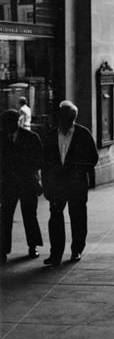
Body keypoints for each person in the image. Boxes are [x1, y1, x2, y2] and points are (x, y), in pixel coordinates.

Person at [41, 100, 99, 267]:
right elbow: (45, 162)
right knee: (55, 219)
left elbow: (92, 158)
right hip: (57, 185)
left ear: (73, 117)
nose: (62, 120)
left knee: (78, 218)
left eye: (65, 117)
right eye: (60, 116)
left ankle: (76, 250)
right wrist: (47, 185)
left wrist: (78, 170)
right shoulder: (51, 135)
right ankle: (56, 254)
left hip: (76, 185)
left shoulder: (83, 134)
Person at [0, 109, 44, 262]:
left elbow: (39, 159)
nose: (6, 127)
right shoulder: (2, 137)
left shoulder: (31, 137)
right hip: (8, 184)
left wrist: (25, 167)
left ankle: (33, 246)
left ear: (16, 122)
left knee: (29, 216)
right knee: (5, 217)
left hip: (26, 182)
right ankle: (3, 250)